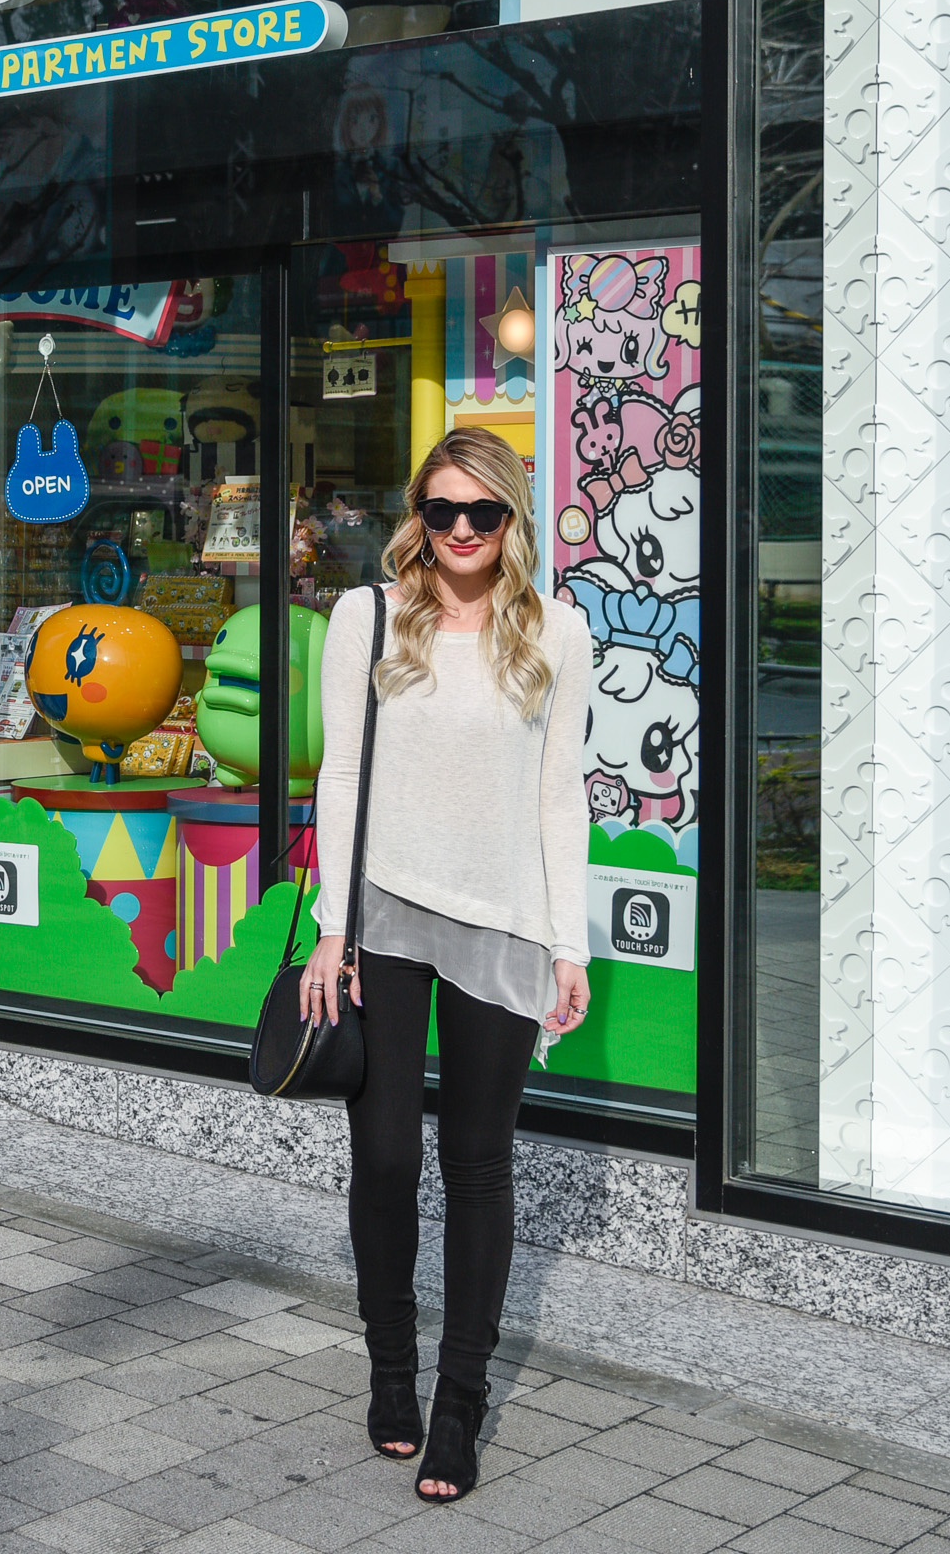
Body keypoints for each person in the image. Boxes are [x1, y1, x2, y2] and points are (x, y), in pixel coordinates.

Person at [304, 429, 591, 1503]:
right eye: (440, 510)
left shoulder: (555, 630)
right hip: (383, 916)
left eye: (483, 512)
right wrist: (332, 924)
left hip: (502, 920)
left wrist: (569, 939)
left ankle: (457, 1404)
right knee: (381, 1155)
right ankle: (390, 1368)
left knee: (475, 1162)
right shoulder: (367, 614)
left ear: (512, 519)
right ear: (415, 514)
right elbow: (339, 775)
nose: (460, 530)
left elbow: (559, 796)